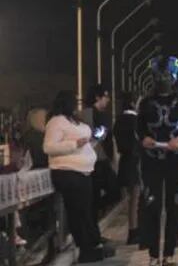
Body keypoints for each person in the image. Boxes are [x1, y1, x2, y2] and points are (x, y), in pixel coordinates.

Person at [43, 90, 115, 263]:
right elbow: (49, 147)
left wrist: (93, 141)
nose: (78, 104)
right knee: (78, 213)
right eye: (75, 101)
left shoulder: (74, 121)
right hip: (68, 173)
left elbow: (83, 144)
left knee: (86, 212)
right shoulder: (56, 122)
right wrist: (74, 144)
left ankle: (91, 244)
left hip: (83, 173)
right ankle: (85, 249)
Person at [138, 55, 178, 266]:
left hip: (176, 159)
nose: (163, 79)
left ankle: (169, 254)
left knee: (174, 205)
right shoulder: (145, 102)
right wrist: (144, 138)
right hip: (151, 160)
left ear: (174, 78)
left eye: (167, 75)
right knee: (151, 206)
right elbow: (139, 127)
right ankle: (153, 255)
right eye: (159, 76)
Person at [78, 84, 119, 218]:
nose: (108, 100)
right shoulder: (87, 114)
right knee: (98, 195)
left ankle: (94, 213)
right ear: (97, 97)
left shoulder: (102, 115)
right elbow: (91, 137)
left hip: (102, 160)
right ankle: (93, 225)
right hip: (93, 161)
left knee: (113, 192)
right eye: (106, 96)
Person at [113, 92, 141, 245]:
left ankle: (133, 230)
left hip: (124, 161)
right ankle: (134, 231)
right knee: (136, 199)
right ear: (132, 103)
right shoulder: (135, 121)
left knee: (130, 200)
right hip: (135, 161)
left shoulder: (118, 121)